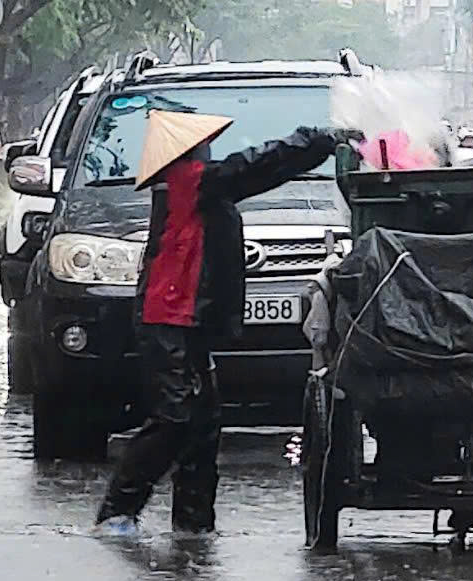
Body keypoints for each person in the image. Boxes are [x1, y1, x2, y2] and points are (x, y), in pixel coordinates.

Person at [98, 110, 357, 535]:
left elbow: (259, 169)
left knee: (201, 425)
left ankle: (194, 523)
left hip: (185, 321)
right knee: (176, 418)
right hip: (168, 319)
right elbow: (258, 164)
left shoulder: (193, 183)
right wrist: (318, 140)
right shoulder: (191, 181)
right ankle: (118, 510)